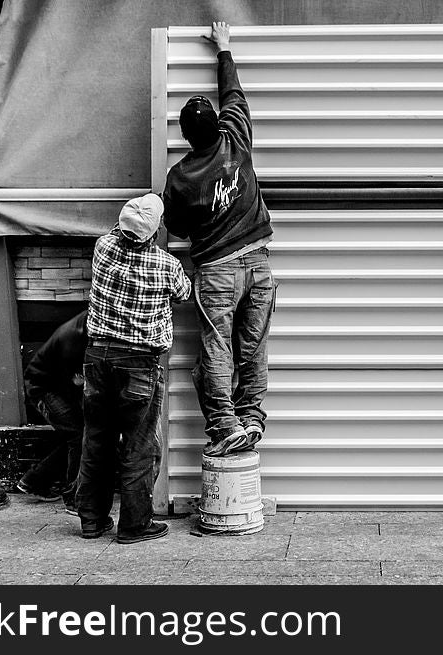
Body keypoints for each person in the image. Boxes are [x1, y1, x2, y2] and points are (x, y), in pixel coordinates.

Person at [163, 21, 275, 458]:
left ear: (187, 137)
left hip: (216, 273)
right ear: (219, 125)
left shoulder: (180, 177)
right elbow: (234, 95)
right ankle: (250, 418)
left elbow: (175, 227)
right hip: (259, 265)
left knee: (216, 349)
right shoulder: (238, 140)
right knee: (253, 346)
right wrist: (223, 48)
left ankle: (226, 425)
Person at [76, 193, 191, 543]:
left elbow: (116, 235)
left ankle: (93, 521)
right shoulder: (167, 265)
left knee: (96, 441)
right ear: (154, 234)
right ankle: (134, 524)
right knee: (139, 446)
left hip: (97, 358)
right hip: (140, 364)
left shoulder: (103, 248)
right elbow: (184, 292)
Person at [19, 309, 87, 514]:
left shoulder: (84, 324)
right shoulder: (74, 337)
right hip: (45, 390)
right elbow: (75, 380)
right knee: (79, 436)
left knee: (77, 435)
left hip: (57, 387)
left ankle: (34, 481)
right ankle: (74, 498)